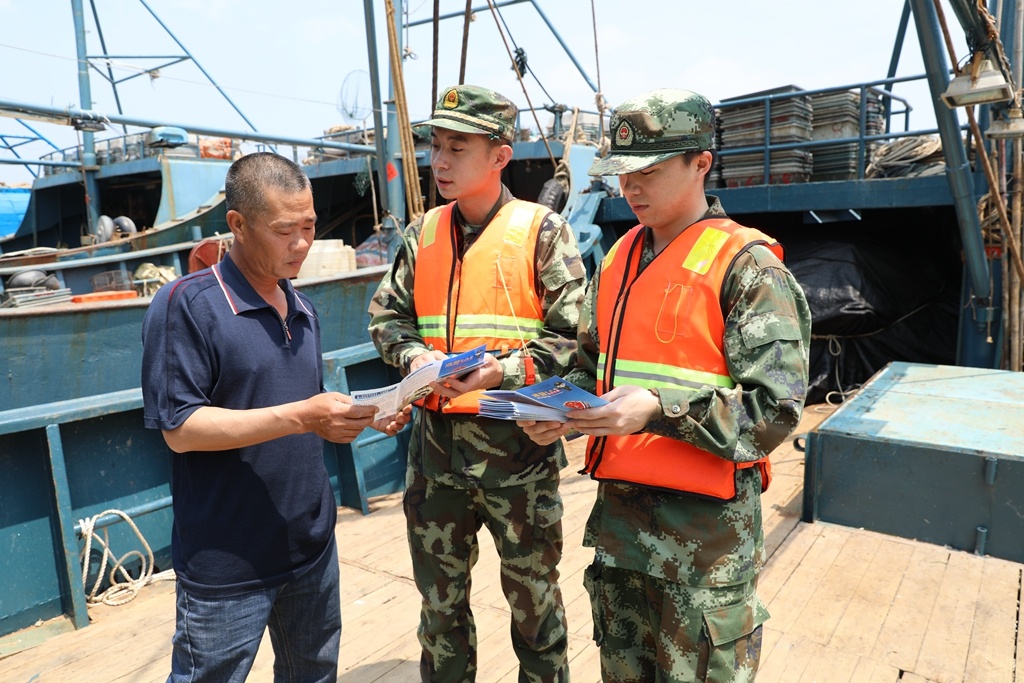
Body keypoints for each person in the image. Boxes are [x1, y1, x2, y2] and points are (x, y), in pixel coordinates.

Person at [520, 88, 812, 682]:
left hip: (704, 552)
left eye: (647, 172)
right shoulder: (619, 258)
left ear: (700, 163)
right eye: (621, 174)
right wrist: (559, 409)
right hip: (622, 540)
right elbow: (590, 369)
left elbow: (773, 410)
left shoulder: (749, 268)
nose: (630, 187)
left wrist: (657, 409)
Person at [141, 152, 409, 683]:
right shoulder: (185, 306)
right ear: (236, 225)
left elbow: (301, 403)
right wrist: (302, 415)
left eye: (309, 227)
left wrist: (361, 417)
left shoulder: (303, 308)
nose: (302, 244)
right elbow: (180, 430)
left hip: (311, 548)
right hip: (227, 564)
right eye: (285, 231)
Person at [368, 84, 587, 682]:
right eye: (436, 146)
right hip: (435, 452)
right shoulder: (422, 234)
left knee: (534, 608)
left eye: (457, 148)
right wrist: (414, 357)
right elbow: (387, 317)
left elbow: (575, 338)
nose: (439, 161)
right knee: (439, 609)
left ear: (499, 156)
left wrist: (506, 371)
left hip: (517, 448)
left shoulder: (543, 233)